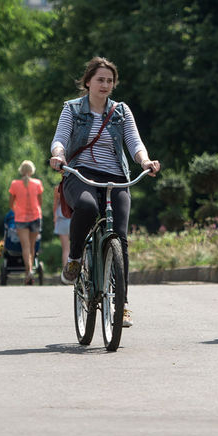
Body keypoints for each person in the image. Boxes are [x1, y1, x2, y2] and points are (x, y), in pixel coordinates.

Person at [49, 57, 161, 327]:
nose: (105, 85)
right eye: (100, 79)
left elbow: (135, 142)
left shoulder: (121, 111)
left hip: (116, 177)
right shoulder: (72, 109)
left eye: (110, 81)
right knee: (87, 207)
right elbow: (60, 138)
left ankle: (121, 305)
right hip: (79, 174)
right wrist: (58, 155)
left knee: (120, 237)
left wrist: (145, 161)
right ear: (88, 82)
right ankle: (75, 258)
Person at [8, 160, 43, 285]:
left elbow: (11, 204)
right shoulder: (37, 183)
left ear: (21, 171)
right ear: (31, 170)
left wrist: (16, 211)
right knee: (32, 247)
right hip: (35, 217)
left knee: (25, 247)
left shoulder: (14, 184)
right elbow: (40, 202)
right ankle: (30, 271)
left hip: (21, 218)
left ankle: (28, 272)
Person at [52, 185, 71, 267]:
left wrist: (54, 218)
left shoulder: (58, 188)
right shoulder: (73, 187)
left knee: (66, 249)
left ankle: (66, 271)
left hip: (62, 218)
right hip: (73, 218)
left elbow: (55, 205)